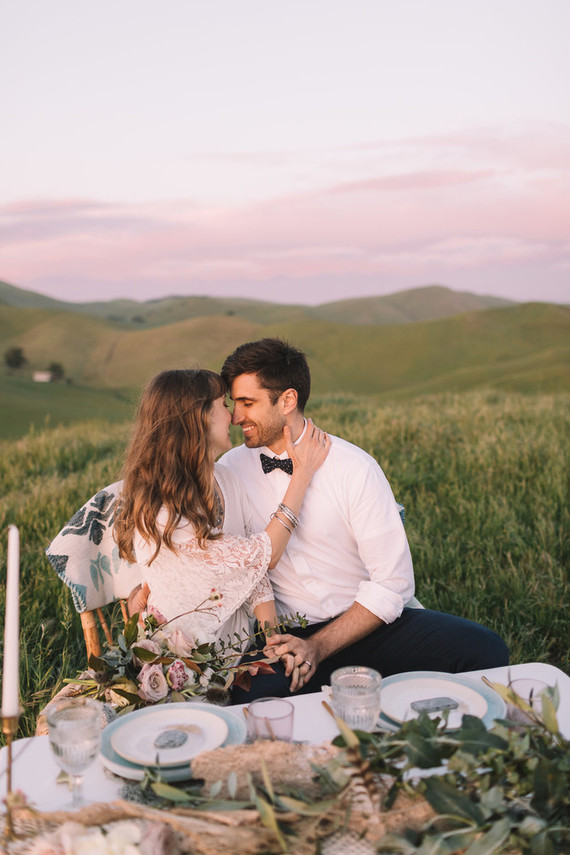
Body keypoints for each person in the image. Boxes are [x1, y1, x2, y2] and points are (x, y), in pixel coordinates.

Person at [219, 338, 509, 700]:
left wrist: (321, 647)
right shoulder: (230, 470)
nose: (235, 417)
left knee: (485, 649)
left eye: (248, 403)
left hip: (366, 625)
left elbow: (393, 584)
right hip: (289, 636)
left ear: (288, 400)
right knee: (248, 697)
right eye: (234, 404)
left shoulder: (353, 467)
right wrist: (275, 639)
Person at [114, 368, 329, 675]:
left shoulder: (226, 479)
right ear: (197, 418)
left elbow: (252, 572)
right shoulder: (164, 514)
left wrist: (272, 638)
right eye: (223, 405)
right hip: (181, 667)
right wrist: (302, 474)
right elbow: (263, 554)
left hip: (240, 652)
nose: (234, 417)